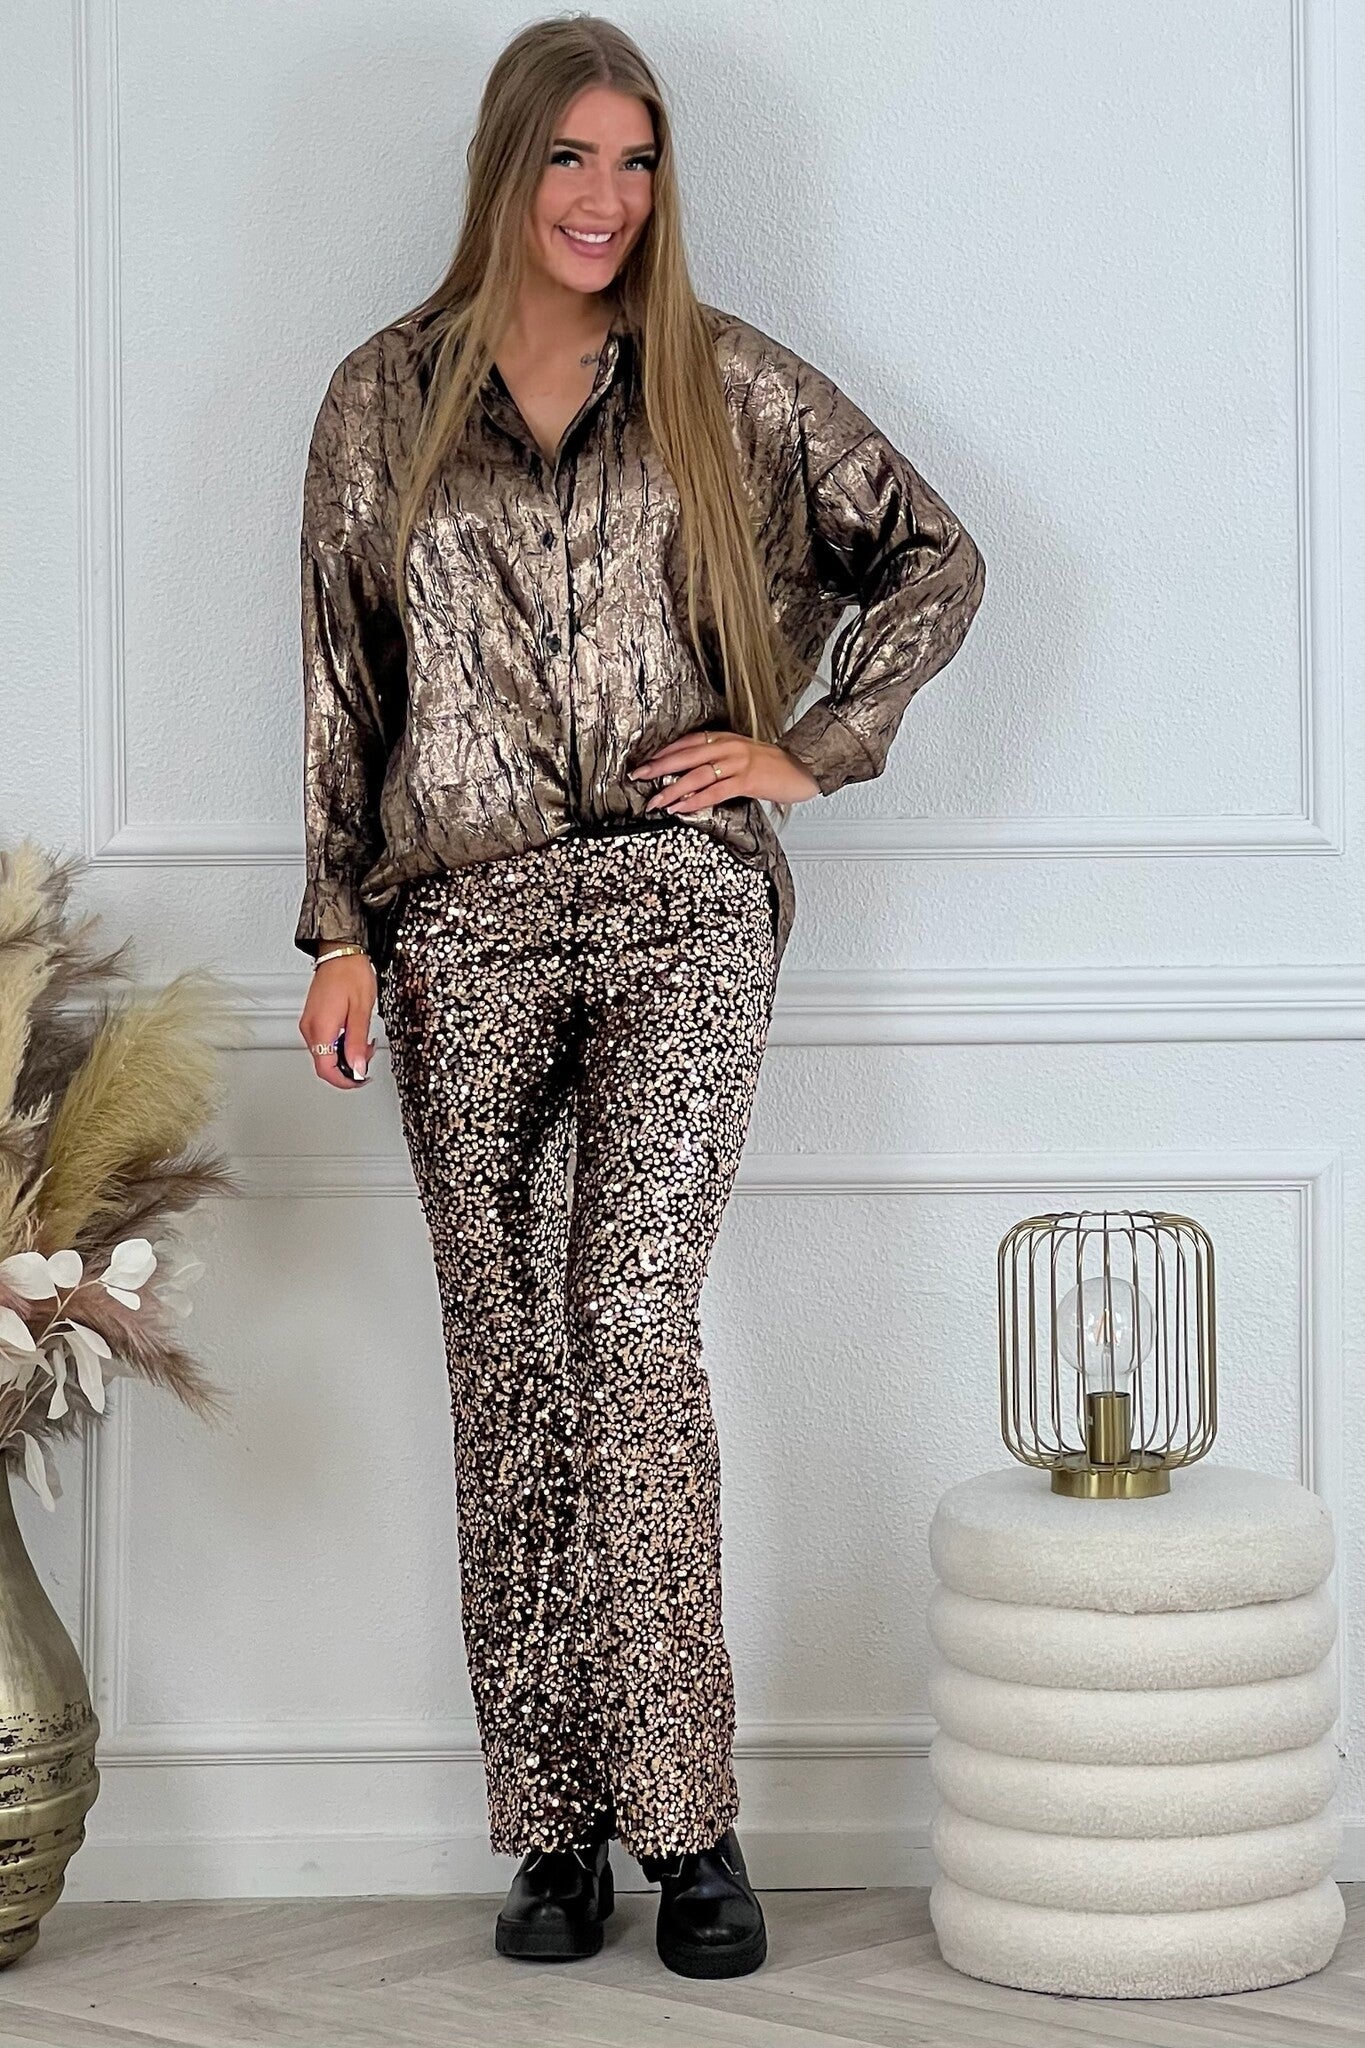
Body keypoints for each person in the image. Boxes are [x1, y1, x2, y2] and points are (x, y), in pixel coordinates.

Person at [294, 12, 985, 1982]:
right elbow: (342, 675)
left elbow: (933, 560)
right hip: (458, 919)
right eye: (570, 158)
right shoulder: (382, 396)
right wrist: (337, 930)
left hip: (680, 901)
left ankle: (688, 1820)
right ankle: (551, 1827)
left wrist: (805, 750)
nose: (604, 198)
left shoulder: (723, 379)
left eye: (637, 161)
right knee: (505, 1354)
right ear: (505, 167)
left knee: (624, 1321)